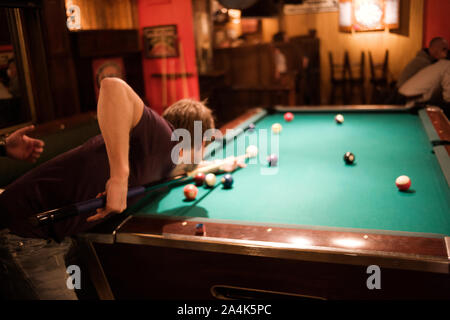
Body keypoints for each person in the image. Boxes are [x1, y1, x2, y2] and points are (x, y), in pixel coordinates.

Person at [0, 77, 243, 299]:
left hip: (60, 234)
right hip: (25, 233)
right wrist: (119, 177)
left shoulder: (164, 156)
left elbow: (186, 169)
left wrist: (220, 164)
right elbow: (112, 86)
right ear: (196, 139)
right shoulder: (162, 137)